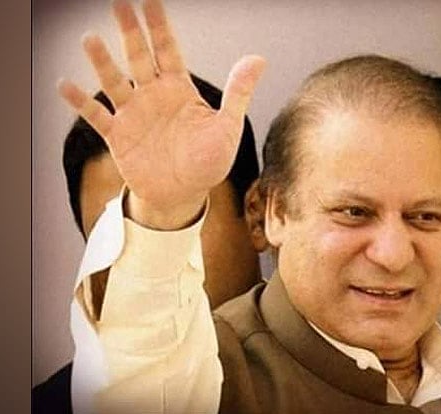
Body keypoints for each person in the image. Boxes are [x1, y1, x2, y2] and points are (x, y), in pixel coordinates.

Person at [56, 0, 441, 413]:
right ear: (272, 213)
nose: (395, 254)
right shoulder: (206, 383)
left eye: (425, 217)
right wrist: (162, 214)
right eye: (354, 212)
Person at [33, 74, 268, 413]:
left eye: (178, 216)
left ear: (258, 216)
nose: (147, 256)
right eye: (111, 236)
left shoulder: (333, 373)